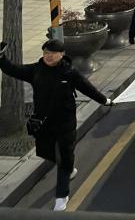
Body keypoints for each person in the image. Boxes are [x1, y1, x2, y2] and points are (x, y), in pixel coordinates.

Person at [0, 39, 113, 211]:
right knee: (47, 152)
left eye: (52, 53)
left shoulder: (69, 73)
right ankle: (68, 168)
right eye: (45, 53)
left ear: (61, 54)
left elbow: (87, 88)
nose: (48, 56)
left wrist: (105, 100)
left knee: (64, 156)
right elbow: (12, 69)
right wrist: (1, 57)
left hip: (64, 122)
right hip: (43, 123)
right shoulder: (35, 70)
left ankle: (61, 196)